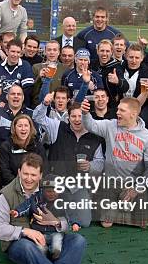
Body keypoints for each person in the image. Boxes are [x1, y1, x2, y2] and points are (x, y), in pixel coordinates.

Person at [0, 153, 85, 264]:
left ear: (40, 175)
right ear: (19, 172)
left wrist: (56, 222)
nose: (28, 178)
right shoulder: (6, 194)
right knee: (28, 247)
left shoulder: (49, 189)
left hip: (50, 239)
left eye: (33, 175)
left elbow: (68, 218)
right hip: (20, 244)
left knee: (78, 241)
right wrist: (25, 231)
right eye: (25, 173)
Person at [81, 97, 148, 228]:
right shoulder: (110, 125)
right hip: (111, 182)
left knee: (143, 224)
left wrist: (137, 188)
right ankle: (120, 210)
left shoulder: (147, 136)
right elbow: (90, 125)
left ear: (133, 114)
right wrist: (85, 113)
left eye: (121, 110)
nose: (117, 112)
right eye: (117, 109)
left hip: (133, 184)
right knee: (106, 223)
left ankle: (124, 209)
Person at [34, 96, 105, 228]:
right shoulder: (58, 127)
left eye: (80, 116)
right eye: (74, 116)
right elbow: (38, 118)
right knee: (40, 215)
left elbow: (100, 163)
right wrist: (44, 104)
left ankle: (60, 221)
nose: (77, 120)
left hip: (77, 186)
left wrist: (90, 166)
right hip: (55, 183)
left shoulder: (94, 137)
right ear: (68, 118)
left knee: (84, 222)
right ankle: (59, 219)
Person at [10, 174, 68, 259]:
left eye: (55, 191)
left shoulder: (61, 203)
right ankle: (42, 254)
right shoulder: (36, 200)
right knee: (40, 246)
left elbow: (66, 219)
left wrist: (60, 223)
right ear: (43, 191)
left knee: (57, 240)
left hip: (55, 231)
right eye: (48, 191)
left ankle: (55, 252)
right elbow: (26, 206)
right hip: (39, 231)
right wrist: (17, 212)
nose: (51, 194)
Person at [0, 114, 47, 187]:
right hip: (12, 186)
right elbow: (5, 172)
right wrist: (21, 186)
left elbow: (45, 168)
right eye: (20, 126)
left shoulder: (37, 146)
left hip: (35, 186)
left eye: (26, 126)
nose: (23, 129)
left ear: (30, 128)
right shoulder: (6, 146)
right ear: (14, 128)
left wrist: (33, 185)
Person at [0, 84, 34, 149]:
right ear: (7, 97)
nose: (16, 96)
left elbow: (35, 138)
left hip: (24, 153)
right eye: (13, 94)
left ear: (23, 98)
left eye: (19, 94)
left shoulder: (31, 114)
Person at [0, 38, 34, 107]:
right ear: (7, 51)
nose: (15, 55)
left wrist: (9, 100)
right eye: (13, 51)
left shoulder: (25, 66)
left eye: (18, 52)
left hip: (20, 106)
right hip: (1, 106)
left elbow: (27, 89)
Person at [95, 39, 129, 108]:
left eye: (107, 51)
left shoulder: (116, 67)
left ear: (111, 52)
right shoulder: (93, 65)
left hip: (111, 107)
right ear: (97, 51)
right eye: (102, 51)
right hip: (95, 104)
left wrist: (118, 81)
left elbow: (126, 87)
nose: (104, 54)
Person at [31, 40, 64, 107]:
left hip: (57, 107)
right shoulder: (36, 67)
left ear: (59, 52)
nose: (52, 52)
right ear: (45, 52)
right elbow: (31, 91)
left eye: (55, 50)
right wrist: (39, 77)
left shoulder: (64, 68)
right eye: (49, 50)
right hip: (39, 106)